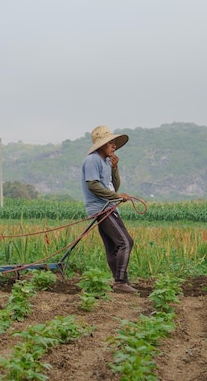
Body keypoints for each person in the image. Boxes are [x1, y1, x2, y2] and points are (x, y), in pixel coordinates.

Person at [81, 125, 138, 294]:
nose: (114, 146)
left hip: (109, 206)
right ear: (101, 145)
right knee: (126, 242)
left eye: (114, 143)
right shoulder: (92, 160)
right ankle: (120, 282)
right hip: (101, 207)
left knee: (114, 246)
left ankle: (120, 281)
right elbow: (92, 185)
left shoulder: (106, 162)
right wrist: (117, 197)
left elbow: (113, 186)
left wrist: (115, 169)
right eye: (111, 143)